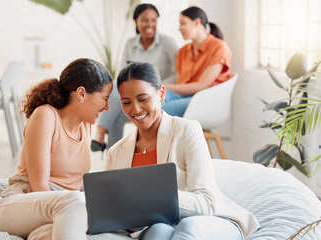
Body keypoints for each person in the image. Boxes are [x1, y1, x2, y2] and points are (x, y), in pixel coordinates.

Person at [106, 62, 259, 240]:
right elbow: (119, 215)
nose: (135, 109)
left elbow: (207, 202)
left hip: (212, 220)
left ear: (161, 93)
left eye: (143, 99)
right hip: (163, 226)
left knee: (188, 226)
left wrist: (154, 199)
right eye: (126, 102)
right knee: (157, 231)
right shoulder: (116, 152)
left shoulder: (187, 130)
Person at [0, 58, 113, 240]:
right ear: (81, 93)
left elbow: (75, 183)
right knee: (77, 203)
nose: (107, 107)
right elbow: (39, 187)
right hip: (19, 203)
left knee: (48, 234)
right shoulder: (46, 115)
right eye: (105, 99)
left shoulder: (86, 125)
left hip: (57, 211)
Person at [91, 3, 179, 152]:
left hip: (156, 96)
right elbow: (122, 76)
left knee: (116, 111)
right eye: (145, 20)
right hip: (135, 96)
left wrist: (153, 86)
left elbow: (179, 74)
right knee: (116, 106)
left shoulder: (167, 42)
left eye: (154, 20)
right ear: (136, 22)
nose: (150, 24)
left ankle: (100, 135)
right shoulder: (130, 44)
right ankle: (115, 160)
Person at [163, 6, 233, 117]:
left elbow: (202, 86)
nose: (179, 28)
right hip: (184, 96)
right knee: (151, 100)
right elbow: (180, 82)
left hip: (205, 100)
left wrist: (162, 86)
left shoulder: (219, 47)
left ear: (196, 22)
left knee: (162, 110)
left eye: (183, 23)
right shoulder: (183, 51)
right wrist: (157, 89)